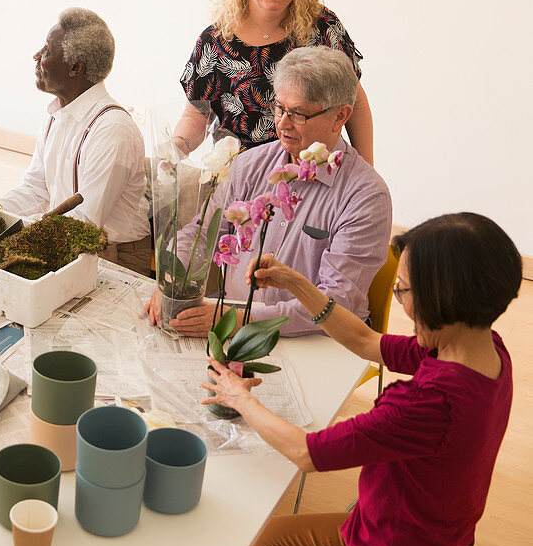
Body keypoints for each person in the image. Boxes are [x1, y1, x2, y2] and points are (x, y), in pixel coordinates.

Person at [207, 212, 521, 546]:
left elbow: (307, 452)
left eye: (402, 289)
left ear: (441, 299)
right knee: (245, 541)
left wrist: (238, 397)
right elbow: (365, 341)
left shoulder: (429, 403)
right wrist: (295, 282)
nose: (400, 299)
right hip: (395, 536)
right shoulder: (482, 349)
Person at [147, 46, 391, 336]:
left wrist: (241, 321)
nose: (282, 124)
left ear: (340, 116)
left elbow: (337, 303)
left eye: (298, 114)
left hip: (318, 338)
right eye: (279, 108)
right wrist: (170, 277)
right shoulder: (249, 164)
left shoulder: (365, 196)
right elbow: (202, 234)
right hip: (233, 321)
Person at [174, 0, 374, 164]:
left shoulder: (322, 28)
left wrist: (365, 173)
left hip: (314, 178)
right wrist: (174, 149)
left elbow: (355, 104)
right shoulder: (215, 41)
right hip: (241, 184)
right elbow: (196, 116)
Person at [0, 8, 152, 276]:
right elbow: (36, 189)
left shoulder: (113, 130)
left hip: (115, 256)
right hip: (68, 241)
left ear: (75, 68)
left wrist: (19, 230)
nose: (36, 57)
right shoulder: (55, 114)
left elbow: (84, 222)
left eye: (46, 51)